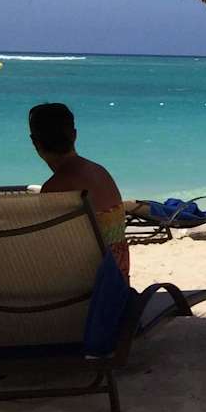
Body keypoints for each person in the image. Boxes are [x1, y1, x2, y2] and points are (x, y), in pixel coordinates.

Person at [29, 102, 130, 281]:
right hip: (116, 279)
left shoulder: (55, 188)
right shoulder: (100, 172)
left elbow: (47, 246)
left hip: (84, 284)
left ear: (35, 142)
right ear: (74, 135)